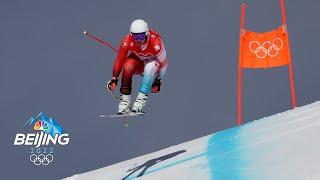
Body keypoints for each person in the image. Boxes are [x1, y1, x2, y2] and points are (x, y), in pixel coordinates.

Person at [106, 19, 168, 115]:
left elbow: (164, 63)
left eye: (141, 36)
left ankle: (140, 101)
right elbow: (119, 60)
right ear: (131, 35)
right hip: (139, 63)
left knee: (150, 67)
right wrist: (114, 78)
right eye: (135, 36)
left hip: (153, 64)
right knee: (127, 65)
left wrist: (158, 80)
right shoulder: (127, 41)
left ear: (146, 33)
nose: (138, 40)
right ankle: (125, 102)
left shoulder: (156, 43)